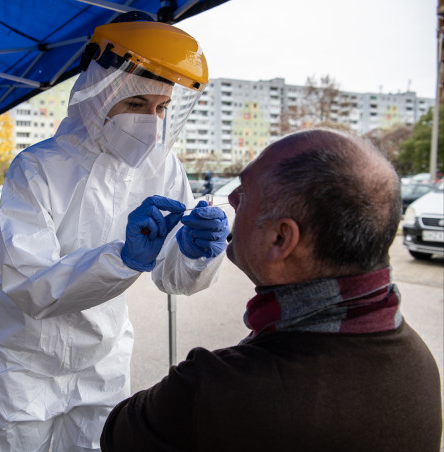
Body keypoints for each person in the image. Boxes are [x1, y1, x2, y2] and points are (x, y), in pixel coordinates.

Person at [0, 13, 230, 451]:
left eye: (161, 108)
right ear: (98, 94)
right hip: (22, 361)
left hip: (103, 358)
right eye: (135, 104)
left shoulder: (161, 167)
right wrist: (122, 259)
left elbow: (173, 279)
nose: (150, 122)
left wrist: (196, 252)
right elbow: (30, 287)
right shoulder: (37, 168)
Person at [100, 129, 443, 451]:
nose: (231, 199)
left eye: (245, 193)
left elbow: (115, 434)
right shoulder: (420, 364)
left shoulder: (215, 391)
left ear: (280, 238)